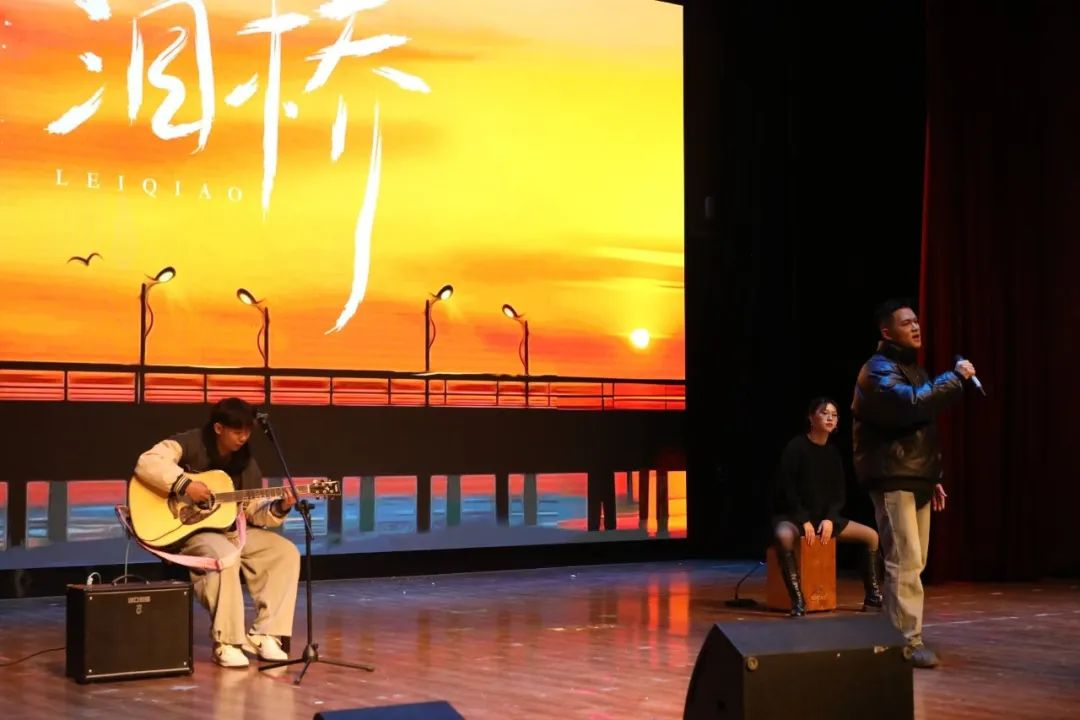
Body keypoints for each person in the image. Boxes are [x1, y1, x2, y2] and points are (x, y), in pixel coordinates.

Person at [852, 299, 975, 669]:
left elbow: (921, 428)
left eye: (917, 321)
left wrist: (932, 476)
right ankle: (904, 643)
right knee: (904, 560)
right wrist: (955, 378)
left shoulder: (912, 369)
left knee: (913, 562)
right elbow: (911, 406)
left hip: (913, 476)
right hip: (893, 477)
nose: (916, 326)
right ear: (887, 332)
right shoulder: (877, 370)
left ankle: (898, 636)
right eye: (906, 323)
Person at [133, 397, 301, 668]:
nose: (243, 438)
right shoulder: (190, 443)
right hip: (190, 532)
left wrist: (280, 507)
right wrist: (184, 484)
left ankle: (266, 634)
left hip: (231, 530)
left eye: (247, 432)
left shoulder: (246, 462)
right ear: (219, 428)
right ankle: (227, 641)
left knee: (284, 552)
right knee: (224, 555)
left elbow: (250, 509)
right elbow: (147, 462)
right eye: (237, 431)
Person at [772, 397, 883, 617]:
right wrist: (803, 520)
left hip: (824, 518)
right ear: (811, 417)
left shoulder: (833, 453)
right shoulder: (796, 447)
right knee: (783, 535)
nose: (830, 418)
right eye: (824, 413)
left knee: (871, 536)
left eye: (834, 415)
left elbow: (839, 493)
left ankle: (872, 596)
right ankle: (798, 601)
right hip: (796, 517)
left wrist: (831, 519)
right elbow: (788, 489)